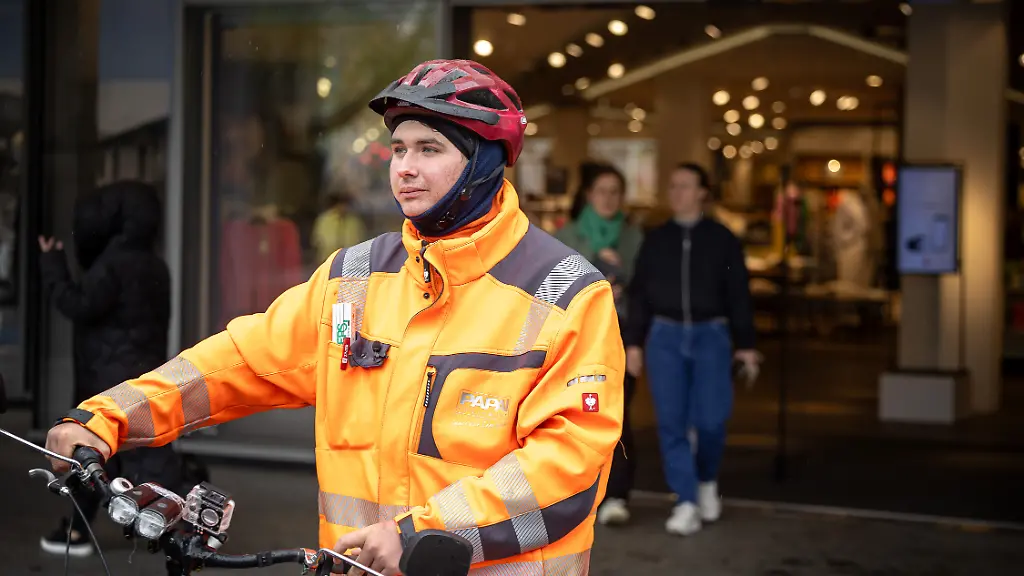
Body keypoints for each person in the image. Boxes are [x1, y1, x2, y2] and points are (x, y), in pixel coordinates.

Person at [45, 59, 624, 576]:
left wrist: (420, 534)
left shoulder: (567, 293)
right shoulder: (355, 274)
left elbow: (567, 465)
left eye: (430, 149)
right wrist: (107, 418)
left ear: (486, 162)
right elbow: (239, 362)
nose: (405, 168)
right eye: (399, 148)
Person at [37, 181, 183, 556]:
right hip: (143, 372)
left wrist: (53, 265)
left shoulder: (114, 264)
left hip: (104, 375)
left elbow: (78, 304)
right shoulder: (156, 264)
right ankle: (167, 525)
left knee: (92, 451)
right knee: (142, 454)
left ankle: (79, 530)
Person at [624, 162, 761, 537]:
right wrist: (634, 341)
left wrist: (746, 344)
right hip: (664, 337)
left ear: (703, 192)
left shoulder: (723, 239)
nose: (677, 192)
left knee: (712, 420)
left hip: (711, 336)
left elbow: (739, 295)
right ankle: (685, 500)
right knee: (671, 422)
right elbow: (640, 294)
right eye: (673, 186)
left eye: (685, 186)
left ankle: (705, 481)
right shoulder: (656, 239)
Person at [556, 162, 642, 526]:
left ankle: (617, 496)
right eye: (602, 191)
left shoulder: (635, 237)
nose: (609, 198)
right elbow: (555, 287)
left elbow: (648, 293)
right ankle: (578, 494)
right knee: (575, 417)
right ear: (588, 195)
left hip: (621, 340)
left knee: (617, 419)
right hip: (579, 342)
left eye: (615, 192)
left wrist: (624, 281)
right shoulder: (567, 236)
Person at [311, 192, 367, 264]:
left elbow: (360, 240)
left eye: (347, 204)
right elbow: (317, 241)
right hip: (328, 259)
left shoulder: (354, 221)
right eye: (342, 204)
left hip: (351, 261)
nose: (345, 207)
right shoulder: (324, 220)